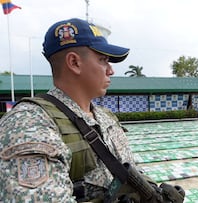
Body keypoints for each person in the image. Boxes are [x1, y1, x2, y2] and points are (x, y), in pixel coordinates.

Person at [0, 18, 184, 202]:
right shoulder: (30, 124)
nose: (111, 70)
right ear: (74, 62)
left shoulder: (106, 117)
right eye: (103, 60)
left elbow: (129, 171)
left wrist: (152, 193)